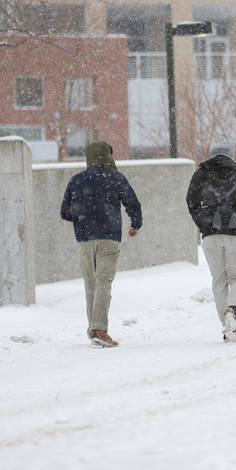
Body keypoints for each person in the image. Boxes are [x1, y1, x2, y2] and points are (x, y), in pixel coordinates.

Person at [60, 141, 142, 347]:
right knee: (103, 283)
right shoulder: (115, 178)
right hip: (109, 237)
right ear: (108, 156)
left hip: (84, 239)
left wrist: (83, 220)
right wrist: (135, 223)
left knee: (91, 285)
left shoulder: (77, 180)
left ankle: (93, 329)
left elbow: (64, 212)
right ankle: (100, 330)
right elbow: (132, 203)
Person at [186, 142, 236, 343]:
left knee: (219, 281)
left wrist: (205, 224)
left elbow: (191, 202)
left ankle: (228, 328)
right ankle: (232, 310)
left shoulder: (201, 174)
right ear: (231, 154)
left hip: (211, 236)